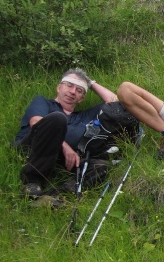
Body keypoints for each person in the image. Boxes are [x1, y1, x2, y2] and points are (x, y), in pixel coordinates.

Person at [14, 68, 118, 201]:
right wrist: (65, 146)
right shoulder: (44, 102)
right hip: (33, 148)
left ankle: (55, 197)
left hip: (61, 160)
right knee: (57, 119)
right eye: (69, 86)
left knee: (102, 166)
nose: (73, 91)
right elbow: (36, 122)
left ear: (82, 98)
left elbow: (114, 102)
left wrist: (90, 83)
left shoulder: (84, 116)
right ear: (59, 87)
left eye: (79, 90)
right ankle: (32, 183)